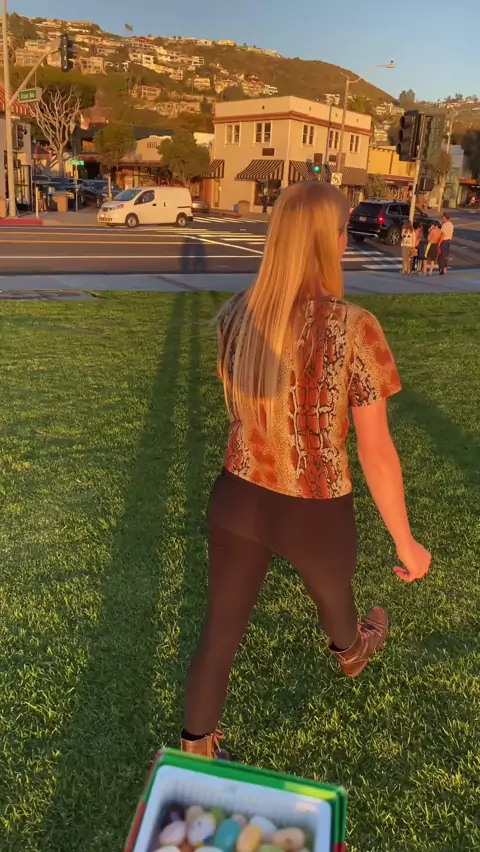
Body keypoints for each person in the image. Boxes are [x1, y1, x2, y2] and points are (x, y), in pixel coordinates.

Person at [180, 182, 431, 759]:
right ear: (332, 241)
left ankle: (196, 752)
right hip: (314, 508)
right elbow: (376, 450)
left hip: (237, 495)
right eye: (343, 231)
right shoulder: (354, 327)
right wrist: (407, 544)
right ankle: (351, 650)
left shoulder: (236, 315)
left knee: (219, 634)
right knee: (337, 606)